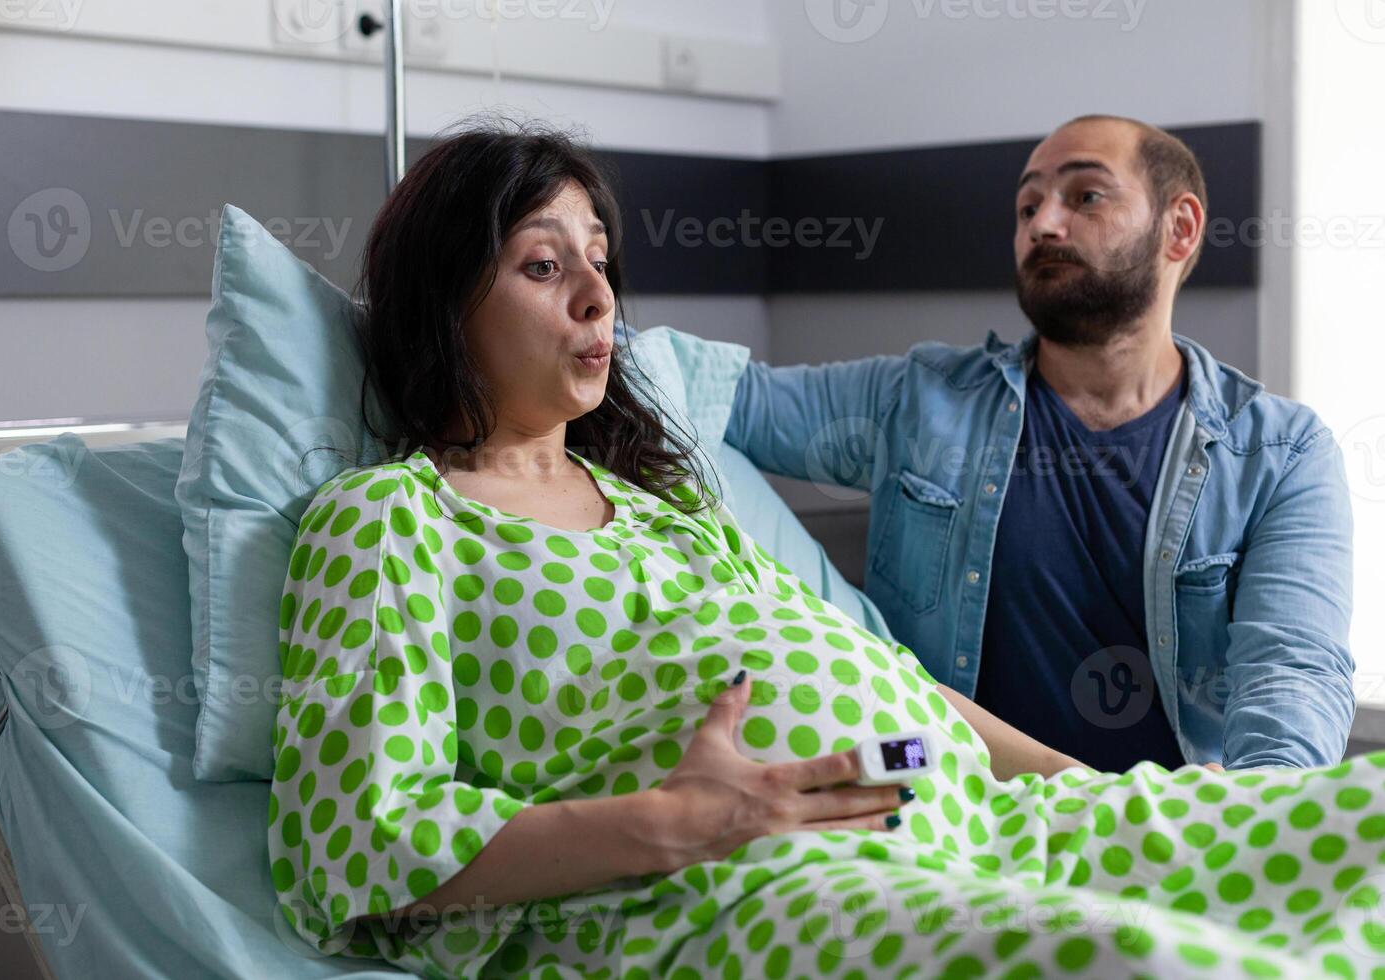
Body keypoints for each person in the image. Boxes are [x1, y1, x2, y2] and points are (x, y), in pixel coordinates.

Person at [268, 121, 1385, 978]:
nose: (603, 295)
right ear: (445, 300)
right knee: (1151, 960)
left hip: (986, 820)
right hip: (738, 884)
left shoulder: (664, 504)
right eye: (544, 266)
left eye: (602, 259)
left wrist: (1115, 797)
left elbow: (907, 689)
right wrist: (672, 823)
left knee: (1359, 817)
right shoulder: (389, 520)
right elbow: (357, 839)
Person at [725, 115, 1355, 774]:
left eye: (1085, 196)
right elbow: (704, 391)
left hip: (1172, 830)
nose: (1042, 224)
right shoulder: (917, 401)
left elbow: (1292, 674)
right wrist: (600, 300)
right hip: (957, 811)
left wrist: (1259, 816)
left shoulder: (1281, 453)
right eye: (1028, 206)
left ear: (1181, 227)